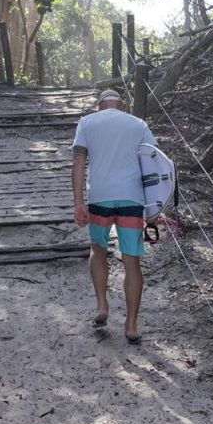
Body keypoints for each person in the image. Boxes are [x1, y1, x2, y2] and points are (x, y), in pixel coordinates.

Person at [71, 88, 157, 343]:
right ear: (122, 105)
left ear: (100, 106)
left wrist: (78, 202)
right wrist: (154, 207)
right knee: (132, 260)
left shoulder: (87, 122)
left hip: (100, 197)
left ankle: (102, 306)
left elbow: (78, 162)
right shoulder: (138, 124)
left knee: (98, 249)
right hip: (132, 198)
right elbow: (154, 163)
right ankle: (131, 325)